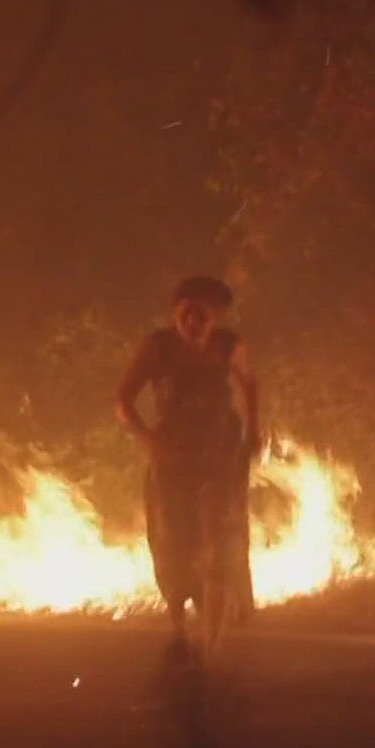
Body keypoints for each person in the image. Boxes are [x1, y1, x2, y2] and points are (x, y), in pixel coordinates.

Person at [117, 275, 260, 665]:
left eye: (203, 314)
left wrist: (253, 433)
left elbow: (249, 385)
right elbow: (124, 398)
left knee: (219, 544)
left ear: (214, 317)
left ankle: (213, 643)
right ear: (176, 314)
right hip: (173, 456)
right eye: (187, 313)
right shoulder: (158, 347)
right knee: (173, 545)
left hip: (218, 455)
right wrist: (148, 439)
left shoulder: (228, 345)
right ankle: (179, 628)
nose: (194, 322)